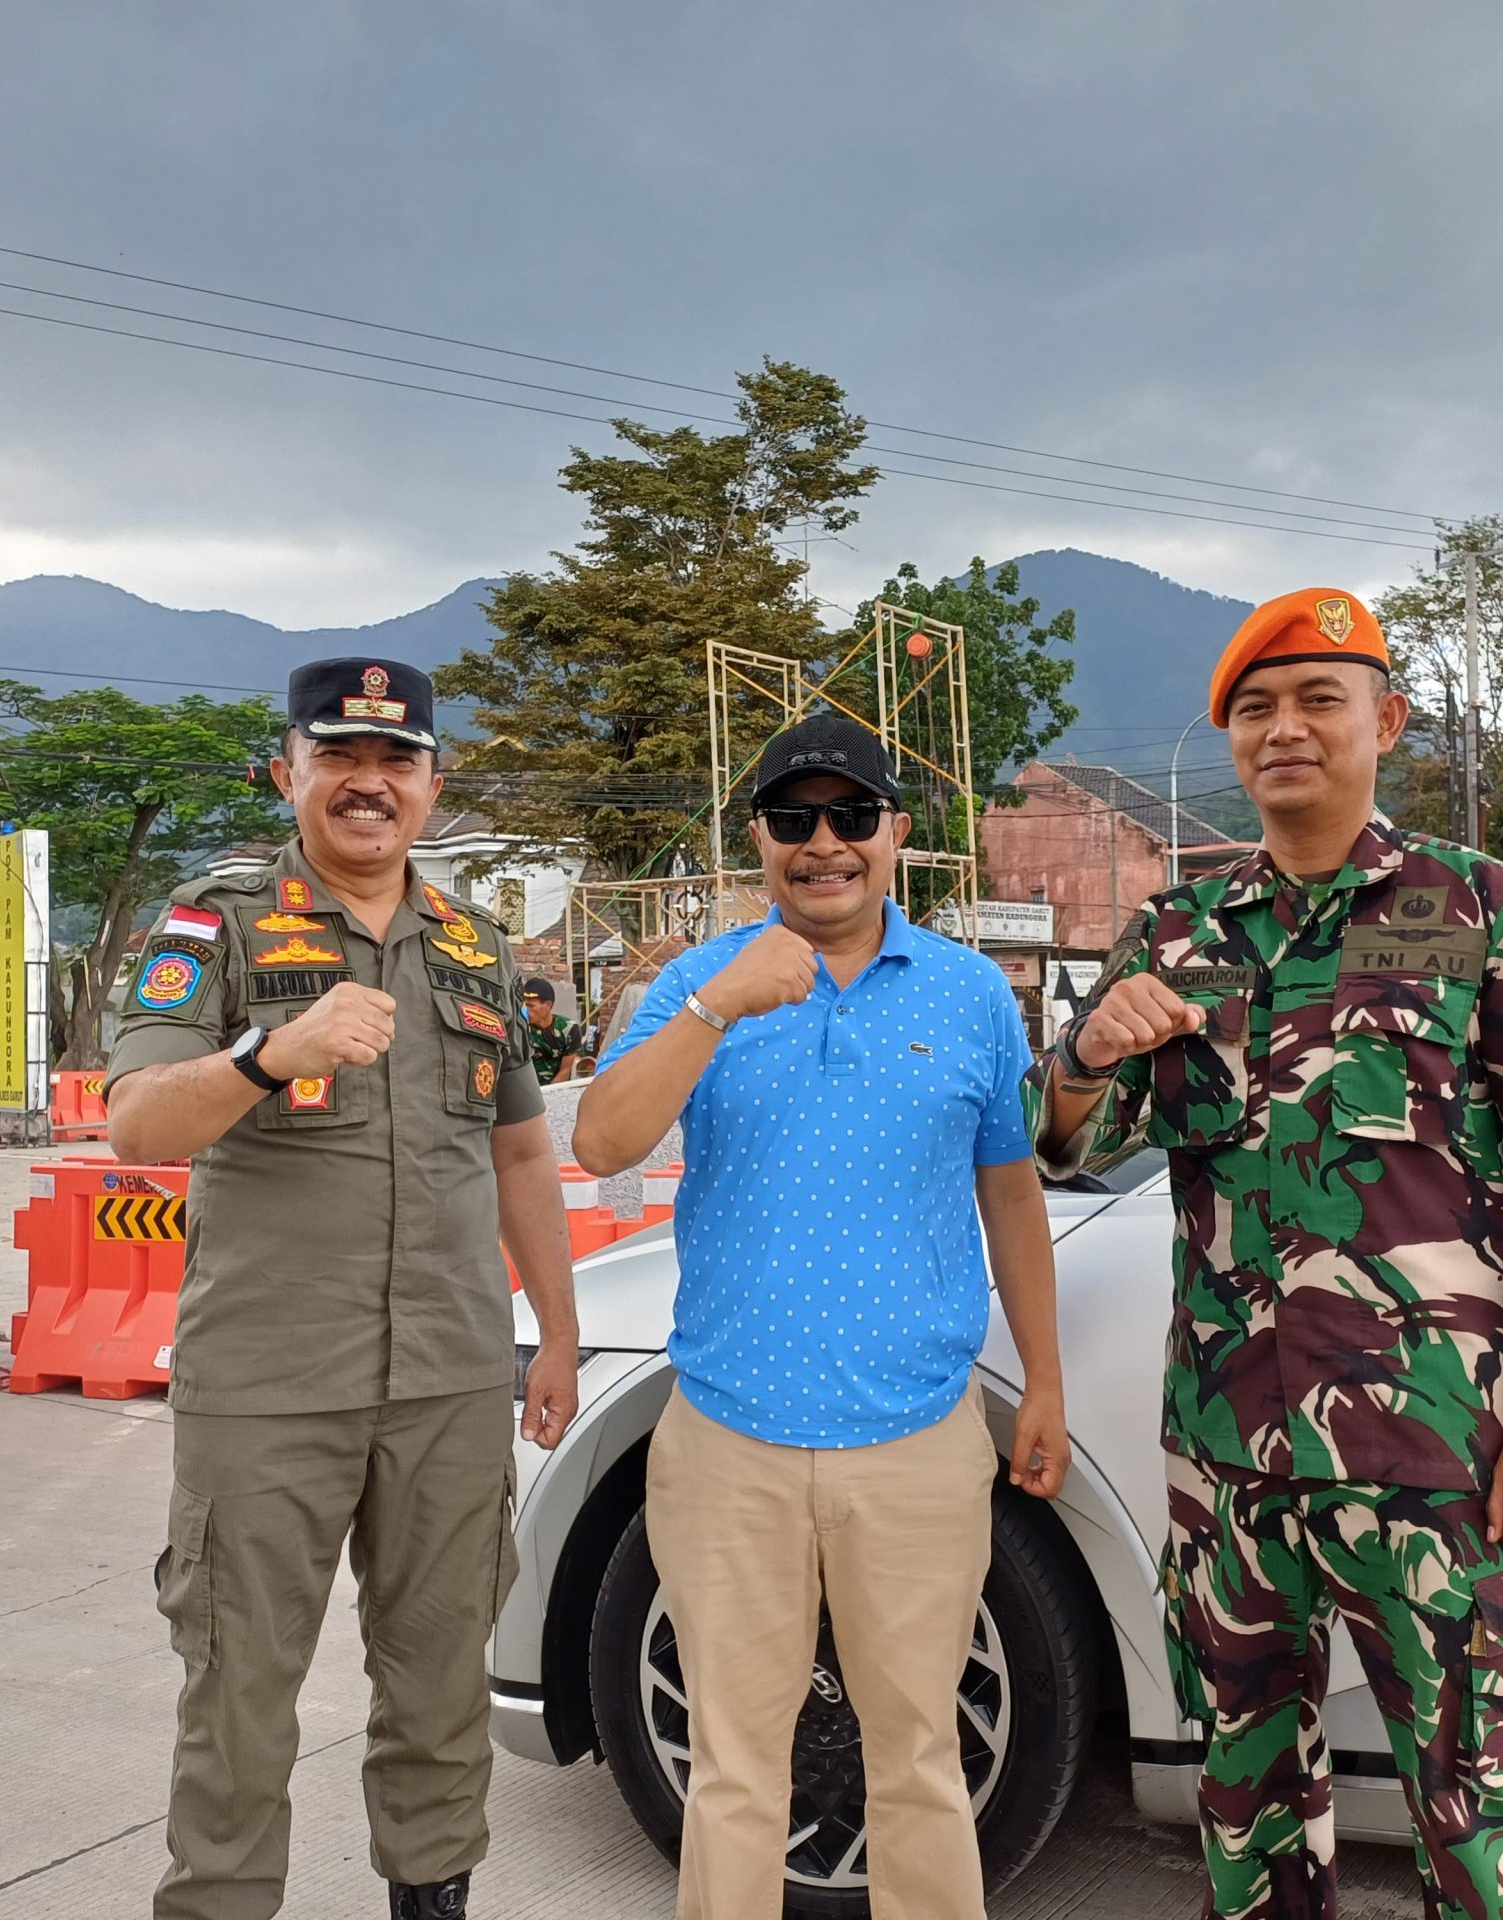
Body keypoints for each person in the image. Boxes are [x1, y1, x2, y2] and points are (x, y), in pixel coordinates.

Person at [1024, 590, 1503, 1920]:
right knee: (1245, 1814)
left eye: (1318, 699)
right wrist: (1085, 1051)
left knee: (1479, 1806)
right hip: (1230, 1456)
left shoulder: (1483, 909)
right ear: (1230, 740)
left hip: (1431, 1455)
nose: (1284, 729)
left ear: (1386, 724)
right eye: (1256, 707)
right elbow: (1067, 1146)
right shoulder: (1178, 932)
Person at [105, 658, 581, 1920]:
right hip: (267, 1384)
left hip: (451, 1379)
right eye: (340, 759)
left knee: (437, 1689)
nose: (369, 784)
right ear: (290, 773)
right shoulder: (215, 922)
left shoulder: (476, 945)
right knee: (239, 1696)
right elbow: (138, 1123)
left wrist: (559, 1341)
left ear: (431, 784)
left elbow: (521, 1149)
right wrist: (269, 1054)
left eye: (398, 762)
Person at [573, 710, 1069, 1920]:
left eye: (852, 816)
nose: (824, 844)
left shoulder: (966, 994)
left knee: (920, 1768)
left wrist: (1041, 1385)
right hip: (728, 1440)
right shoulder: (700, 983)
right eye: (794, 820)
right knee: (735, 1775)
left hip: (916, 1442)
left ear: (897, 830)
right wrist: (716, 1005)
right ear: (759, 837)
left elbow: (1011, 1191)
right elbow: (599, 1141)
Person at [516, 976, 589, 1083]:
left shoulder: (568, 1029)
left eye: (531, 1006)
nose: (526, 1010)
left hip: (556, 1089)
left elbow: (565, 1070)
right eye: (524, 1005)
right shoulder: (520, 1028)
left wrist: (548, 1094)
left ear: (548, 1005)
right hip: (526, 1087)